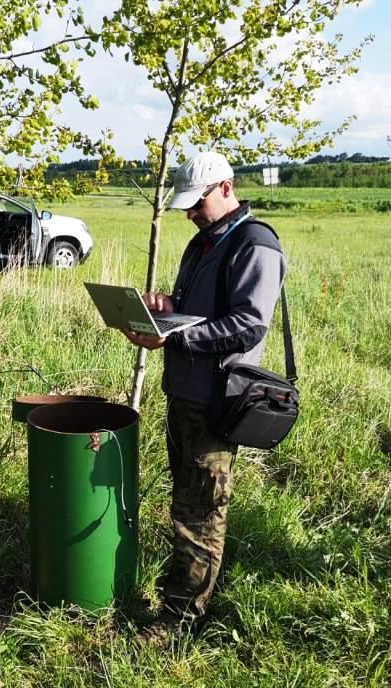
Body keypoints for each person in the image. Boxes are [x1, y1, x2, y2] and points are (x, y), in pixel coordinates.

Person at [122, 151, 286, 644]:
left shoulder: (255, 245)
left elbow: (249, 324)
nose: (191, 213)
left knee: (201, 511)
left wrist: (175, 338)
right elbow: (200, 312)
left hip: (217, 401)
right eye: (187, 206)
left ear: (227, 189)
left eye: (198, 203)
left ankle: (179, 621)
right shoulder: (204, 242)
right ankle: (185, 593)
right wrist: (166, 310)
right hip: (184, 395)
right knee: (186, 500)